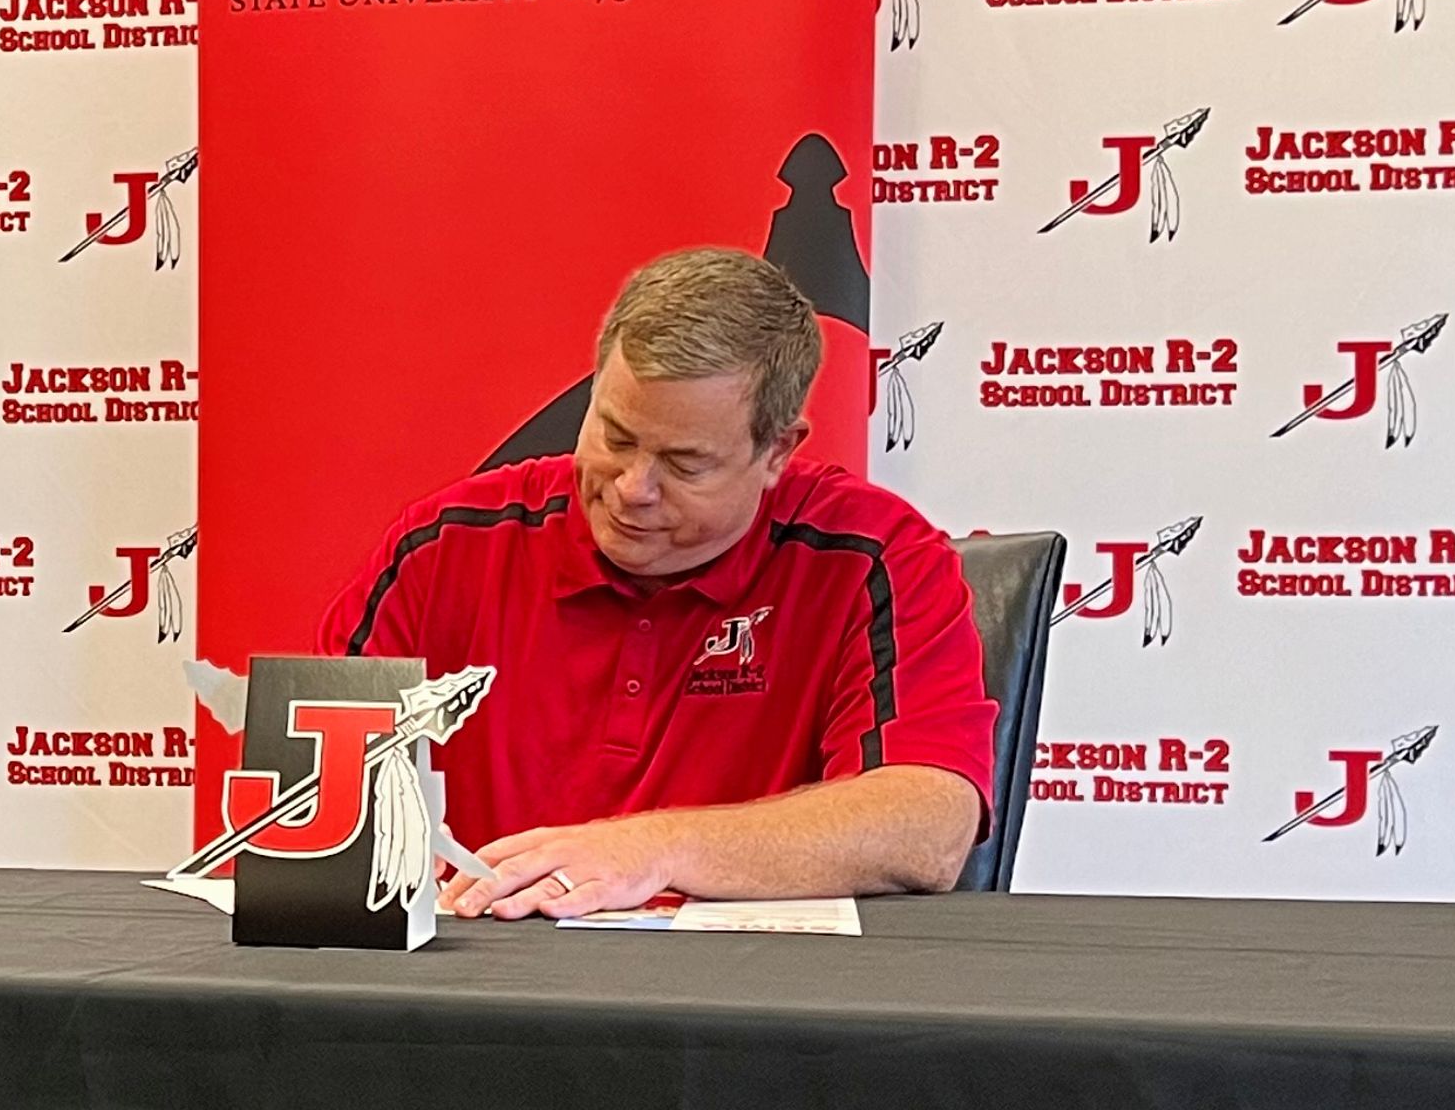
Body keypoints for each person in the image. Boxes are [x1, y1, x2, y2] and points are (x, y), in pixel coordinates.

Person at [320, 246, 993, 911]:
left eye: (685, 463)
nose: (632, 489)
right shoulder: (443, 546)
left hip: (743, 1001)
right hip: (475, 986)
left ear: (777, 452)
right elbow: (315, 818)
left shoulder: (875, 556)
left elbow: (930, 826)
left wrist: (656, 850)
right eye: (614, 437)